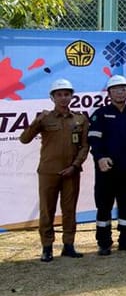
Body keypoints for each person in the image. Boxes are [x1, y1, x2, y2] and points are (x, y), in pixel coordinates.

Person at [19, 78, 89, 262]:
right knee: (47, 211)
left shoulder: (80, 119)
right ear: (52, 97)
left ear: (72, 96)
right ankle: (47, 247)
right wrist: (36, 122)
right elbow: (24, 139)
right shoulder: (45, 118)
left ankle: (68, 245)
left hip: (71, 172)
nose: (63, 98)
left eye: (66, 94)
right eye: (59, 95)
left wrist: (75, 166)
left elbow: (84, 146)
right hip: (48, 172)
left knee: (69, 210)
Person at [88, 74, 126, 255]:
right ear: (109, 93)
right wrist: (100, 158)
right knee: (104, 205)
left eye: (124, 89)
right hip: (107, 170)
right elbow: (93, 140)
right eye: (116, 89)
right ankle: (104, 243)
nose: (120, 92)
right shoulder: (100, 115)